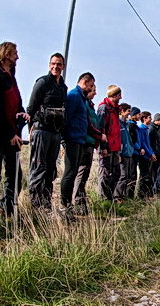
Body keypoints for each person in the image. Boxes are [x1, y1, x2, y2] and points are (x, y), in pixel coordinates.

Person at [0, 41, 28, 217]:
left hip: (12, 135)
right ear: (7, 55)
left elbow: (17, 102)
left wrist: (22, 113)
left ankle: (8, 208)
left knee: (15, 175)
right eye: (15, 53)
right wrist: (9, 134)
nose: (18, 56)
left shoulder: (11, 77)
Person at [26, 53, 67, 211]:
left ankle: (46, 204)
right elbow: (31, 107)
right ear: (49, 65)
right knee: (39, 168)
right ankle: (35, 206)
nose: (56, 67)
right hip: (41, 131)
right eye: (53, 64)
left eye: (59, 64)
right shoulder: (42, 82)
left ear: (63, 66)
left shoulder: (63, 87)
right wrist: (31, 128)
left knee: (51, 170)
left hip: (55, 134)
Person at [60, 72, 95, 221]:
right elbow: (66, 118)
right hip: (72, 140)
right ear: (85, 82)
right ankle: (65, 205)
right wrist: (64, 140)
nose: (92, 88)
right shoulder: (74, 96)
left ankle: (69, 206)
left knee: (74, 173)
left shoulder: (82, 98)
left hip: (80, 141)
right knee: (69, 174)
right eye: (91, 85)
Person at [72, 84, 103, 215]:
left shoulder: (90, 105)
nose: (95, 93)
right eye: (93, 90)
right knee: (81, 172)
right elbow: (88, 124)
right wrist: (99, 135)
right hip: (83, 141)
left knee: (85, 173)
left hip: (90, 142)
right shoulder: (82, 102)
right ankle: (77, 202)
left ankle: (81, 200)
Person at [96, 85, 123, 202]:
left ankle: (110, 196)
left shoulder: (115, 109)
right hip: (107, 146)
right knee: (105, 174)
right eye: (119, 95)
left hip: (115, 146)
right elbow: (101, 128)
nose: (121, 97)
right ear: (115, 95)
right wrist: (103, 147)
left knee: (116, 173)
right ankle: (103, 199)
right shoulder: (104, 108)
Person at [114, 102, 136, 202]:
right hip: (122, 153)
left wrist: (130, 148)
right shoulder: (118, 124)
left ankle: (122, 196)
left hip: (128, 152)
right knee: (122, 176)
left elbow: (129, 139)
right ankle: (117, 196)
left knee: (127, 176)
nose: (129, 113)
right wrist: (118, 152)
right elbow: (118, 138)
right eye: (128, 111)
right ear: (122, 111)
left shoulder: (126, 124)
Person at [135, 111, 157, 199]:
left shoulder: (146, 129)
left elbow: (148, 144)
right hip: (143, 156)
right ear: (144, 119)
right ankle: (141, 194)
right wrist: (150, 153)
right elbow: (143, 143)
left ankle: (146, 194)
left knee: (147, 175)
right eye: (149, 117)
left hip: (147, 155)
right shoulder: (141, 129)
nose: (151, 119)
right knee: (144, 176)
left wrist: (152, 153)